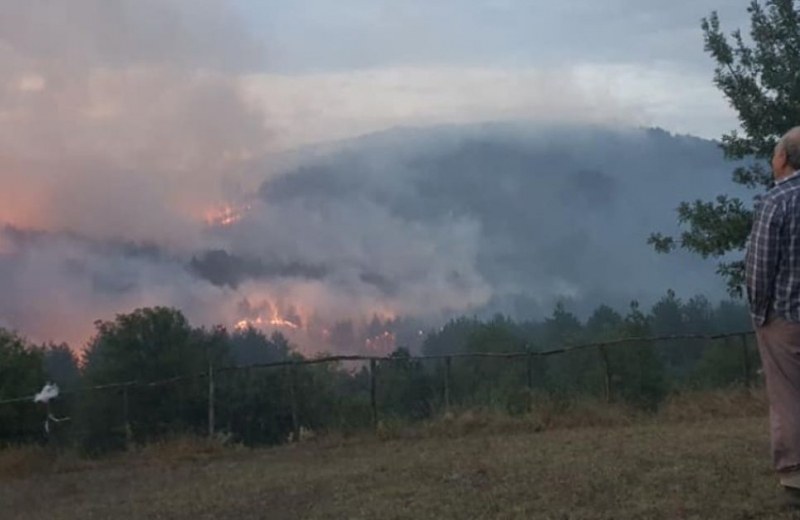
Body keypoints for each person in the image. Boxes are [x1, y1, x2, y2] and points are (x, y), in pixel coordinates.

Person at [746, 126, 800, 507]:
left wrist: (758, 313)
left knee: (788, 396)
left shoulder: (776, 201)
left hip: (787, 316)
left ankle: (796, 477)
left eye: (774, 154)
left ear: (783, 158)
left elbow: (760, 268)